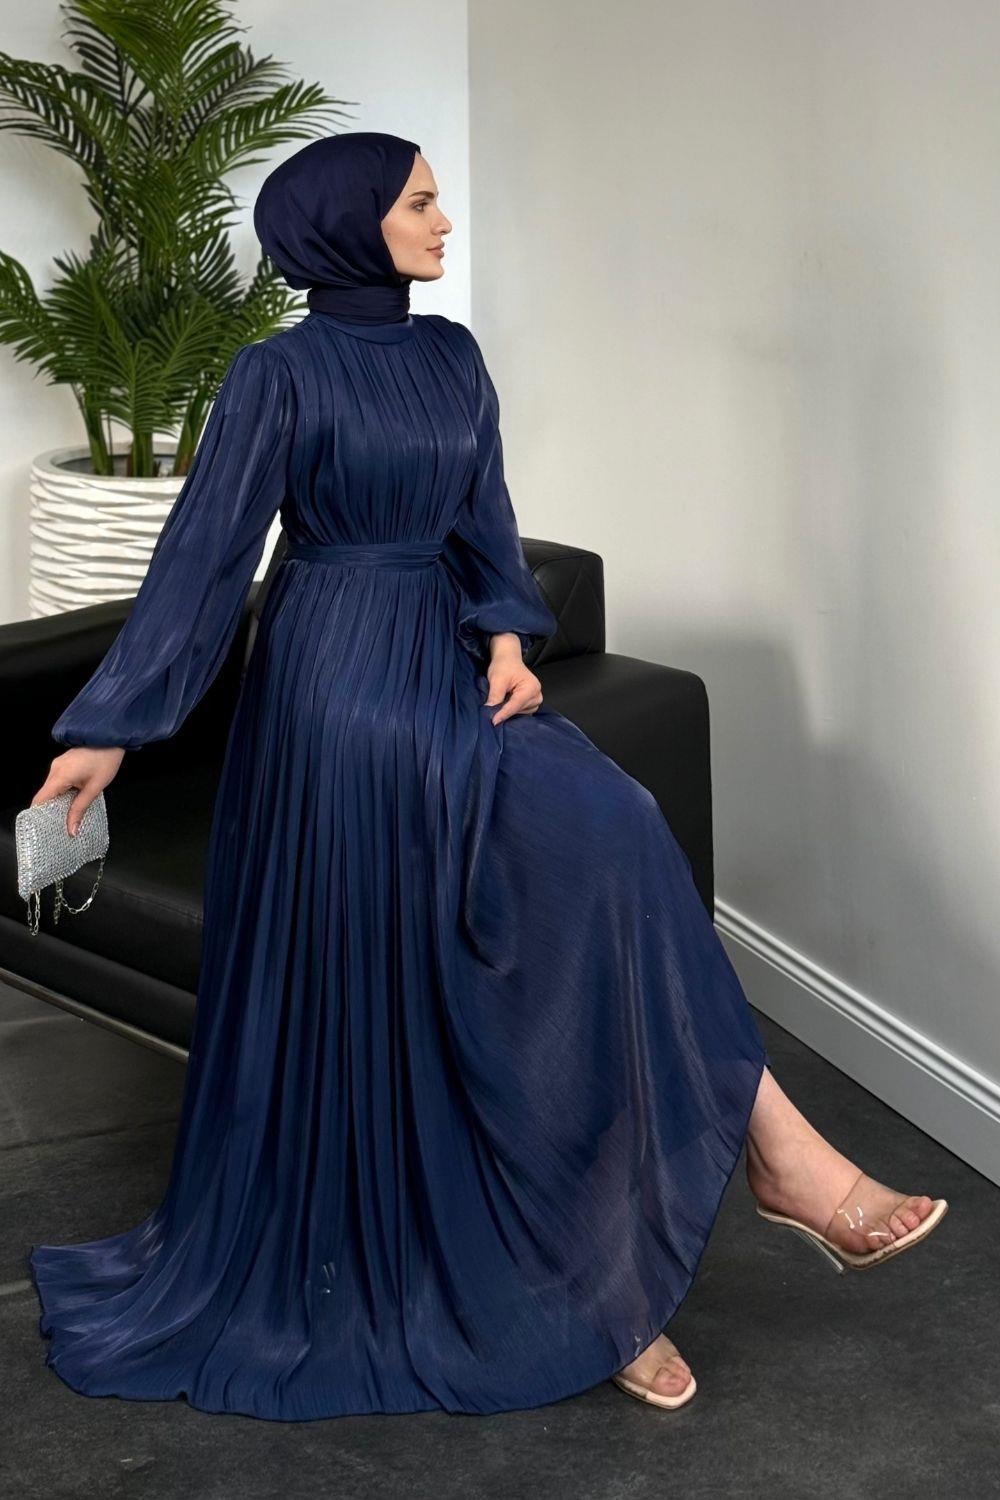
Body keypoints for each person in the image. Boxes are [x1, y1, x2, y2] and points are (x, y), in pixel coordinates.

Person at [26, 132, 947, 1420]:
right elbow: (205, 556)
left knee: (618, 829)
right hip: (337, 688)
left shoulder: (453, 355)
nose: (444, 221)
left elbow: (485, 516)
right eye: (420, 201)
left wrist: (509, 634)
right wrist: (111, 727)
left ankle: (681, 1222)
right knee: (504, 913)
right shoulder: (276, 373)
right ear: (349, 223)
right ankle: (690, 1227)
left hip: (446, 660)